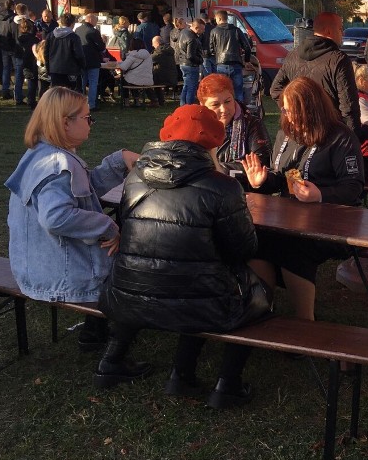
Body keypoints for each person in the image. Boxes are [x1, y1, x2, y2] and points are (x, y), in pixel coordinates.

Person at [97, 104, 261, 406]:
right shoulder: (223, 187)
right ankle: (227, 385)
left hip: (130, 296)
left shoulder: (134, 178)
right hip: (199, 303)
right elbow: (243, 250)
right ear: (212, 143)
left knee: (175, 281)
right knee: (255, 294)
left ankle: (114, 361)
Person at [4, 87, 140, 352]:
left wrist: (119, 161)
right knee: (138, 268)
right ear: (66, 122)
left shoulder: (40, 154)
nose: (91, 123)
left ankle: (95, 331)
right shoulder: (57, 164)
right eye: (87, 118)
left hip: (32, 267)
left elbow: (82, 192)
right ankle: (114, 356)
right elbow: (56, 217)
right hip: (58, 275)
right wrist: (109, 227)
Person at [243, 76, 364, 321]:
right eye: (286, 110)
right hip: (289, 217)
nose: (290, 116)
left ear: (313, 107)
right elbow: (282, 175)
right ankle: (264, 309)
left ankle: (304, 322)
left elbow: (353, 187)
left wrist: (320, 194)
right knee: (256, 241)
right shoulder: (286, 133)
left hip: (332, 221)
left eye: (295, 110)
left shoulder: (340, 136)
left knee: (295, 248)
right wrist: (262, 182)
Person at [270, 11, 368, 142]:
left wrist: (297, 112)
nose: (343, 33)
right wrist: (354, 138)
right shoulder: (338, 60)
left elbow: (275, 90)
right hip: (328, 135)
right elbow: (349, 107)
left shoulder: (293, 55)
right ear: (328, 31)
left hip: (301, 133)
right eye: (340, 28)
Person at [197, 73, 271, 189]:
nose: (224, 109)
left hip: (243, 192)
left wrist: (215, 170)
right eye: (215, 104)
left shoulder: (252, 123)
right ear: (203, 106)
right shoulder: (196, 127)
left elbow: (260, 164)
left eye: (228, 101)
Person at [209, 10, 253, 105]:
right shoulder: (236, 30)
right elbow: (247, 46)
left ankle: (225, 109)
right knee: (238, 90)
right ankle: (240, 112)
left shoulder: (214, 31)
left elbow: (211, 49)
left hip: (221, 63)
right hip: (236, 63)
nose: (215, 21)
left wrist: (216, 55)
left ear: (219, 18)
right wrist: (247, 60)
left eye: (216, 19)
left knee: (223, 90)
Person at [75, 11, 107, 111]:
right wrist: (104, 42)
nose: (96, 23)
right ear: (91, 20)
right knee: (93, 83)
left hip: (81, 60)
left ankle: (80, 104)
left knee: (82, 83)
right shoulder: (93, 31)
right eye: (96, 20)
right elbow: (101, 47)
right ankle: (91, 104)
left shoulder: (77, 30)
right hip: (93, 61)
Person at [43, 13, 84, 90]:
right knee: (70, 95)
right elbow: (79, 55)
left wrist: (48, 68)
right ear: (73, 24)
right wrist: (82, 66)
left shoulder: (50, 35)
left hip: (55, 69)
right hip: (71, 70)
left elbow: (46, 53)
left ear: (60, 22)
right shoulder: (74, 37)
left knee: (57, 94)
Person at [9, 3, 35, 106]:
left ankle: (18, 97)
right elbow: (33, 37)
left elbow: (9, 36)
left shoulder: (12, 23)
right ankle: (30, 98)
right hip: (28, 52)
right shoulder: (30, 23)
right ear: (26, 11)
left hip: (17, 52)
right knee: (29, 76)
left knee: (19, 75)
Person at [117, 39, 155, 107]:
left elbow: (124, 67)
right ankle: (137, 101)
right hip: (147, 80)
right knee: (133, 79)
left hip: (135, 80)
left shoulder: (133, 55)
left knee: (125, 79)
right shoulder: (148, 55)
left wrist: (118, 64)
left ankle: (126, 102)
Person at [176, 19, 205, 105]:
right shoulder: (192, 38)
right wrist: (200, 60)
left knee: (186, 86)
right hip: (191, 65)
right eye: (202, 29)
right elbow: (190, 55)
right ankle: (189, 105)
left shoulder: (184, 32)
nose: (203, 31)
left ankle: (183, 105)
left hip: (183, 62)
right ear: (196, 28)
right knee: (191, 88)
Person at [15, 18, 40, 110]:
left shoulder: (19, 38)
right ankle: (31, 100)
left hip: (20, 58)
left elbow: (16, 49)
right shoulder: (34, 39)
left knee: (19, 78)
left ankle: (18, 97)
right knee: (32, 80)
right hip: (30, 60)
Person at [151, 35, 179, 105]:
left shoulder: (159, 51)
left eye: (153, 43)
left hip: (163, 77)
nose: (152, 45)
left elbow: (150, 59)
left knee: (148, 81)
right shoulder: (169, 49)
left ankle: (155, 100)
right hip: (172, 76)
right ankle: (160, 100)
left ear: (157, 43)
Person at [0, 0, 15, 100]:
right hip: (12, 46)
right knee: (17, 69)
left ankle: (5, 91)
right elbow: (15, 32)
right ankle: (16, 93)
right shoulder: (13, 17)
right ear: (12, 6)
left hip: (3, 46)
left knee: (6, 69)